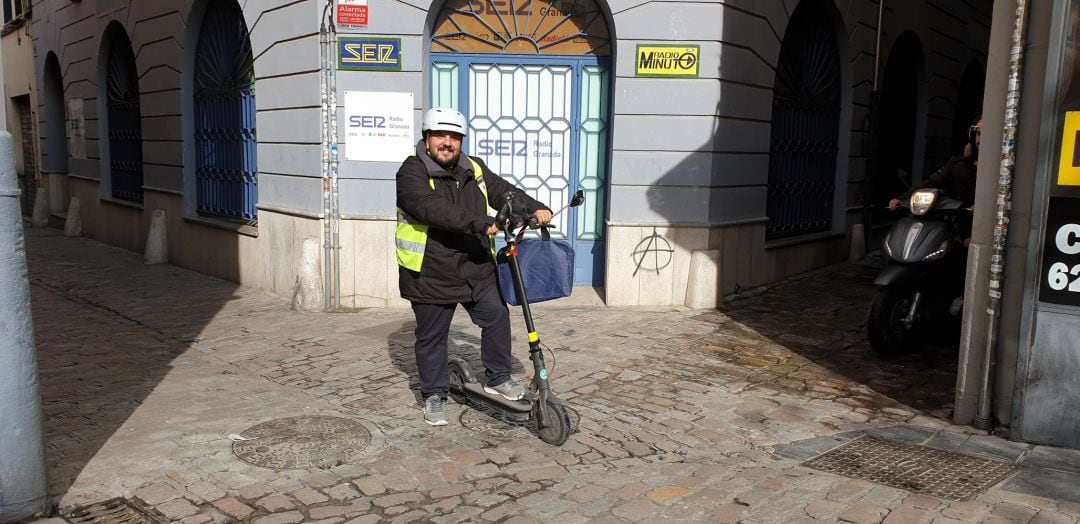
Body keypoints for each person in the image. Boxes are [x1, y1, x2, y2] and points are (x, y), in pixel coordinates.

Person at [395, 107, 553, 426]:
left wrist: (534, 208)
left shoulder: (473, 168)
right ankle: (434, 395)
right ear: (426, 138)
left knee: (496, 317)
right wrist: (481, 222)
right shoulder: (411, 172)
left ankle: (497, 378)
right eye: (440, 135)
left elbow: (503, 192)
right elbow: (431, 209)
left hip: (475, 267)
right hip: (431, 272)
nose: (447, 143)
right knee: (432, 338)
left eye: (454, 137)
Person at [888, 118, 981, 212]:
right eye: (979, 134)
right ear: (973, 137)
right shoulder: (959, 163)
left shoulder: (995, 168)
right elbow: (931, 182)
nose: (980, 140)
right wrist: (902, 198)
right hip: (960, 215)